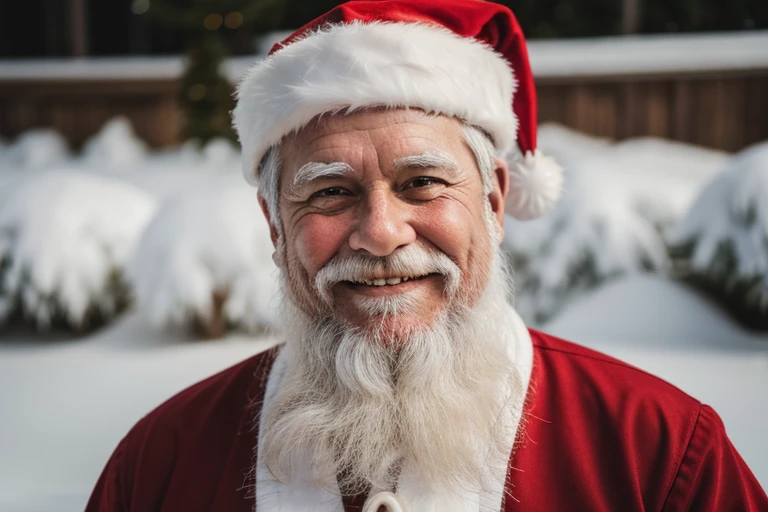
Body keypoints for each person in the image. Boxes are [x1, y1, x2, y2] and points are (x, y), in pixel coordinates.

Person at [86, 1, 768, 511]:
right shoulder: (162, 464)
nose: (381, 232)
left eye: (423, 183)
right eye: (329, 191)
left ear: (496, 201)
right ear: (274, 224)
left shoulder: (658, 455)